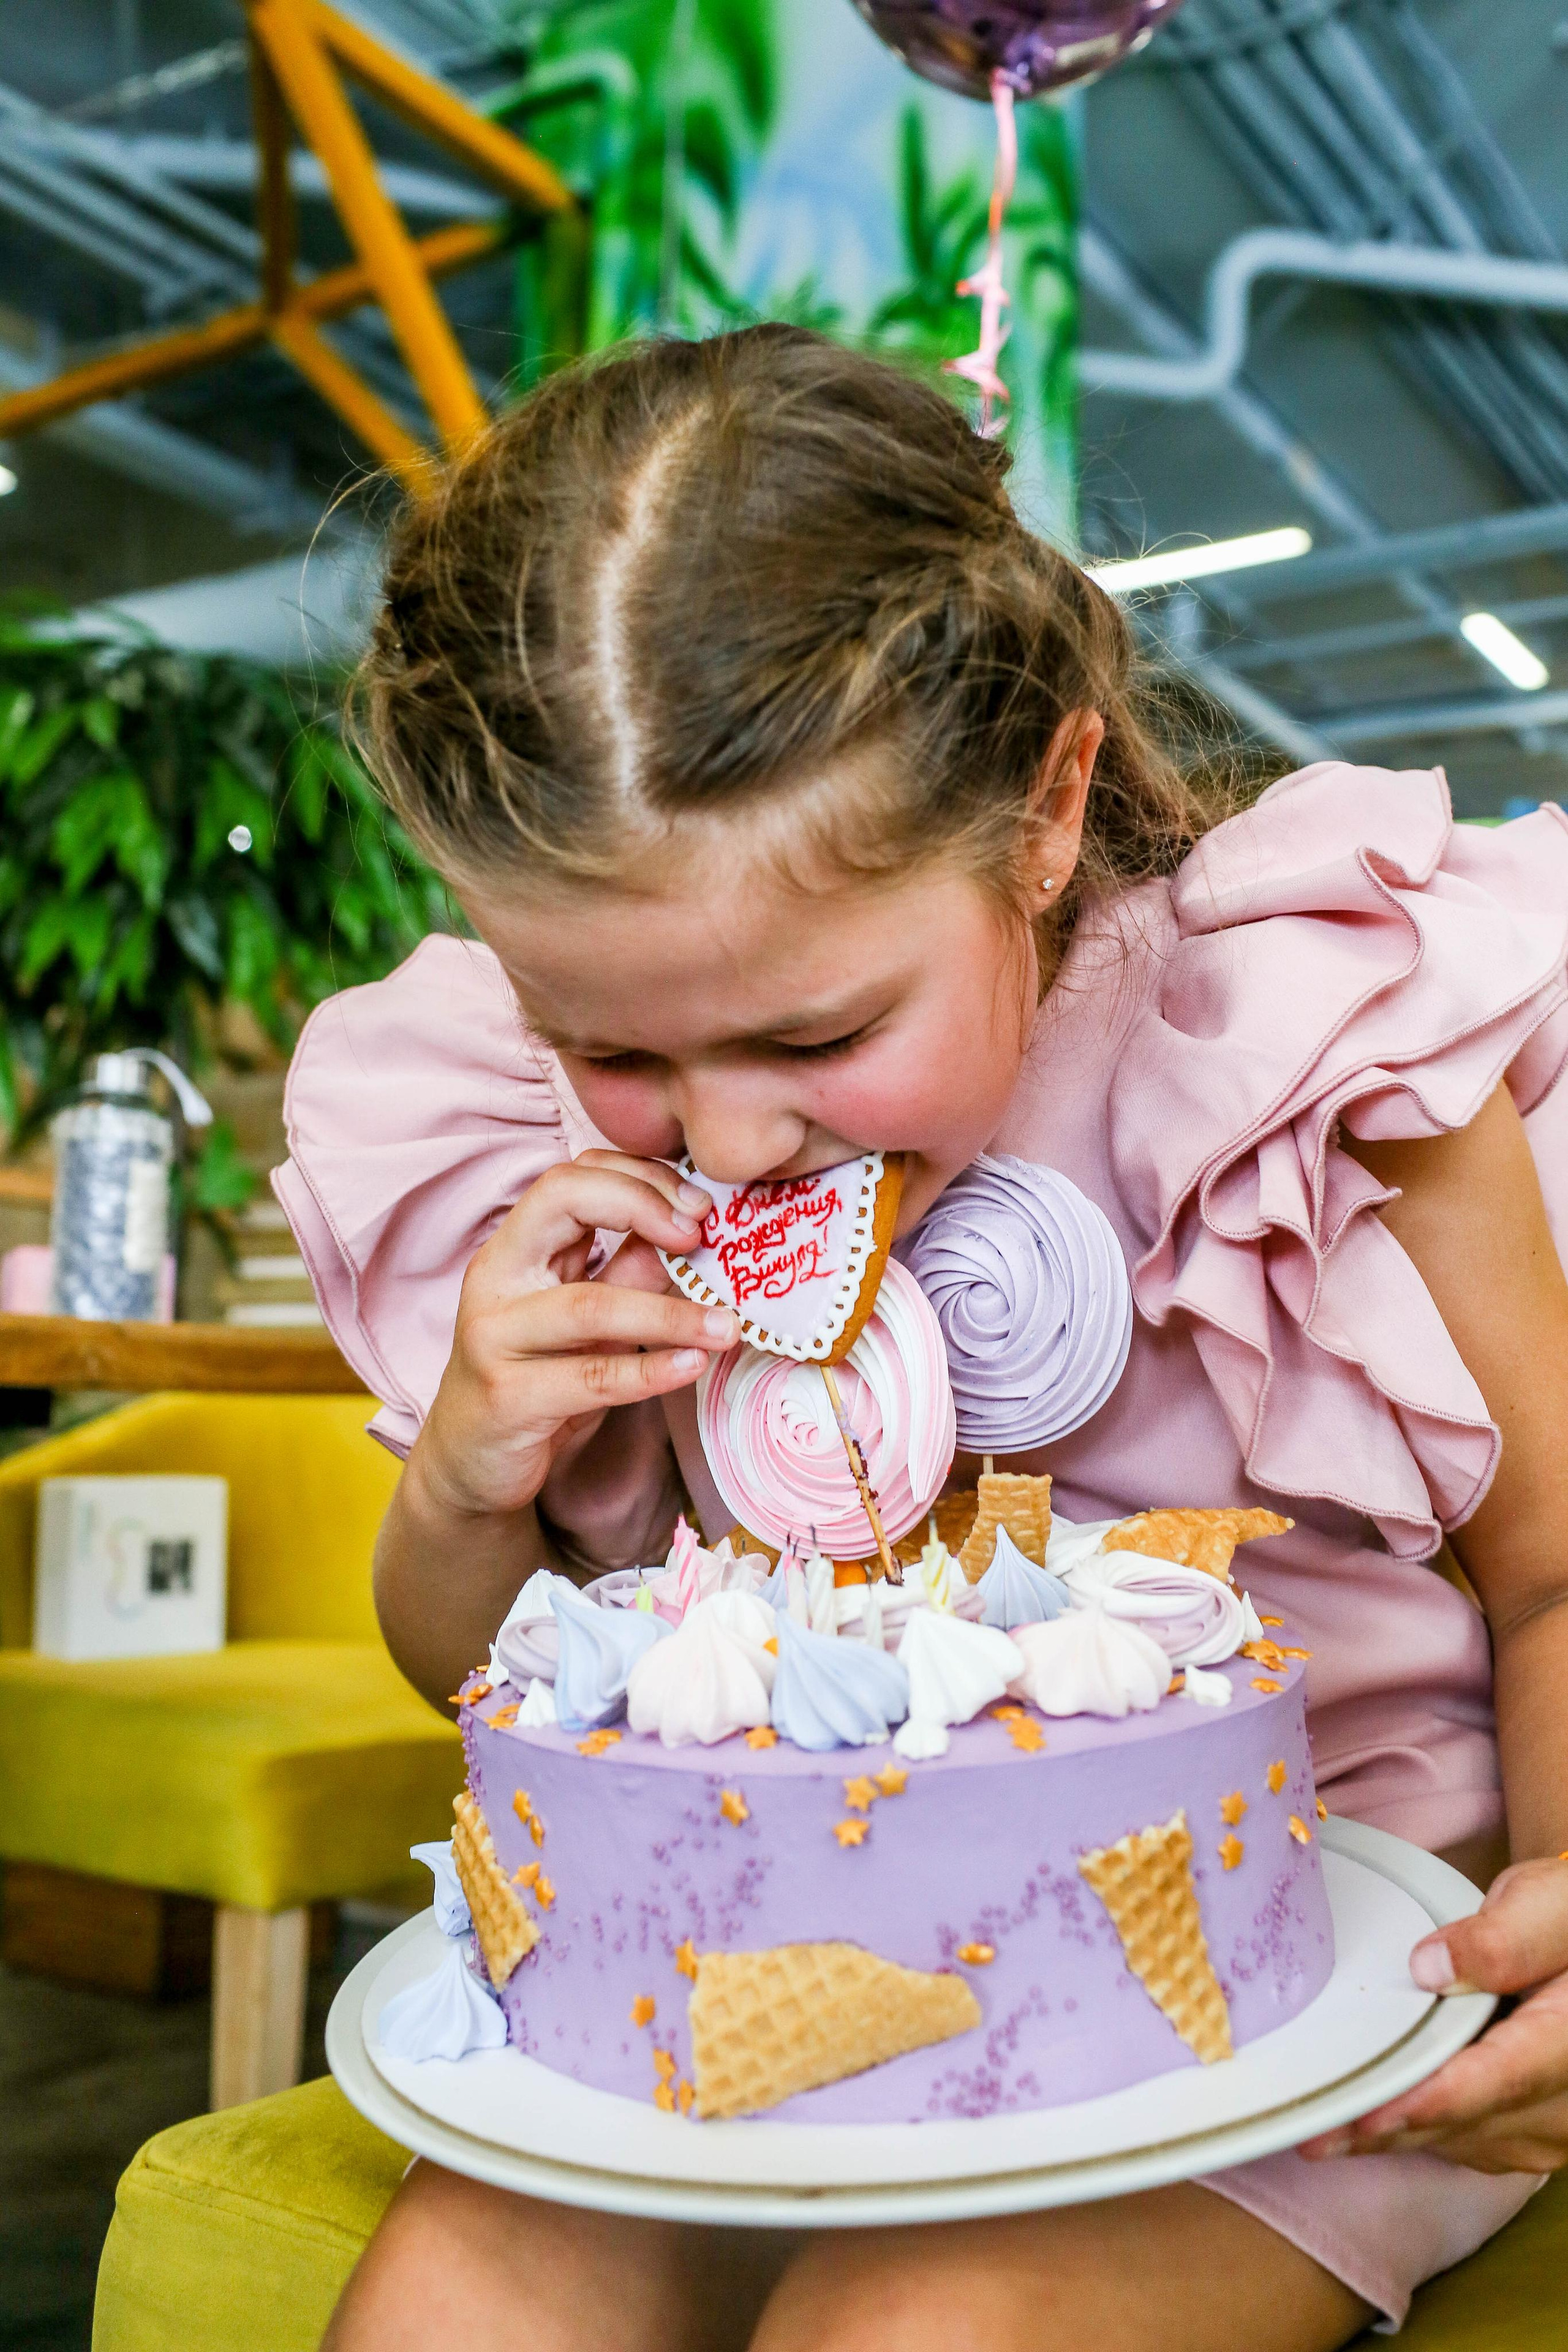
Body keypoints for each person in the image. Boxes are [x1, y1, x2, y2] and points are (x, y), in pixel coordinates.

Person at [276, 328, 1568, 2352]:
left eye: (816, 1037)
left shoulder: (1311, 1056)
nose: (725, 1140)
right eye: (608, 1045)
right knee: (452, 2309)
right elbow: (510, 1681)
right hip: (779, 1964)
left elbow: (1562, 1568)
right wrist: (467, 1476)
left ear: (1047, 810)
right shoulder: (559, 1196)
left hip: (1306, 1981)